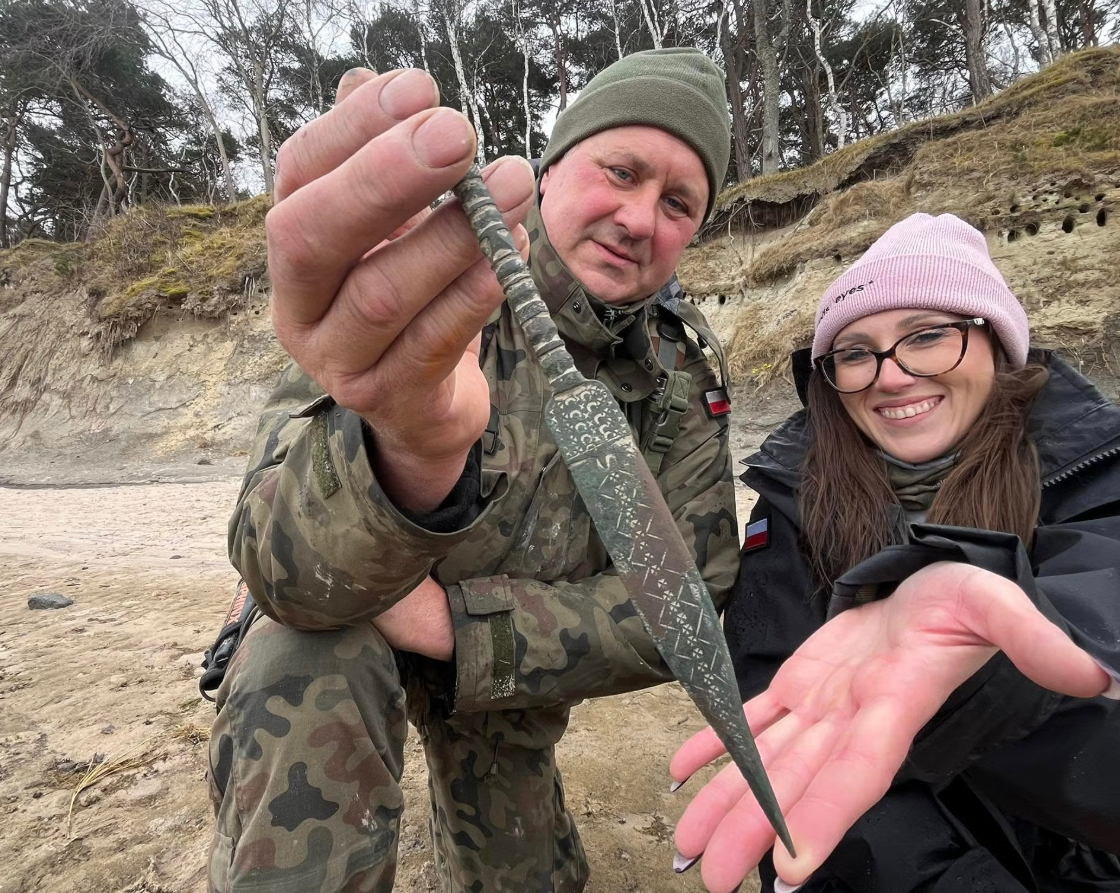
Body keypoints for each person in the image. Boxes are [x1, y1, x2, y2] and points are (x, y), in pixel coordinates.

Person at [207, 48, 742, 893]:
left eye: (678, 202)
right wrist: (405, 451)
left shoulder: (678, 376)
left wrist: (459, 627)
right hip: (342, 629)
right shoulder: (415, 279)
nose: (639, 219)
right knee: (300, 667)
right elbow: (285, 572)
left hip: (503, 682)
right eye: (621, 171)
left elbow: (685, 605)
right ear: (551, 167)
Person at [669, 212, 1120, 893]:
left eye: (927, 336)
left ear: (997, 343)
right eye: (855, 352)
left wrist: (991, 661)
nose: (892, 375)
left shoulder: (1097, 469)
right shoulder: (791, 502)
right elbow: (783, 719)